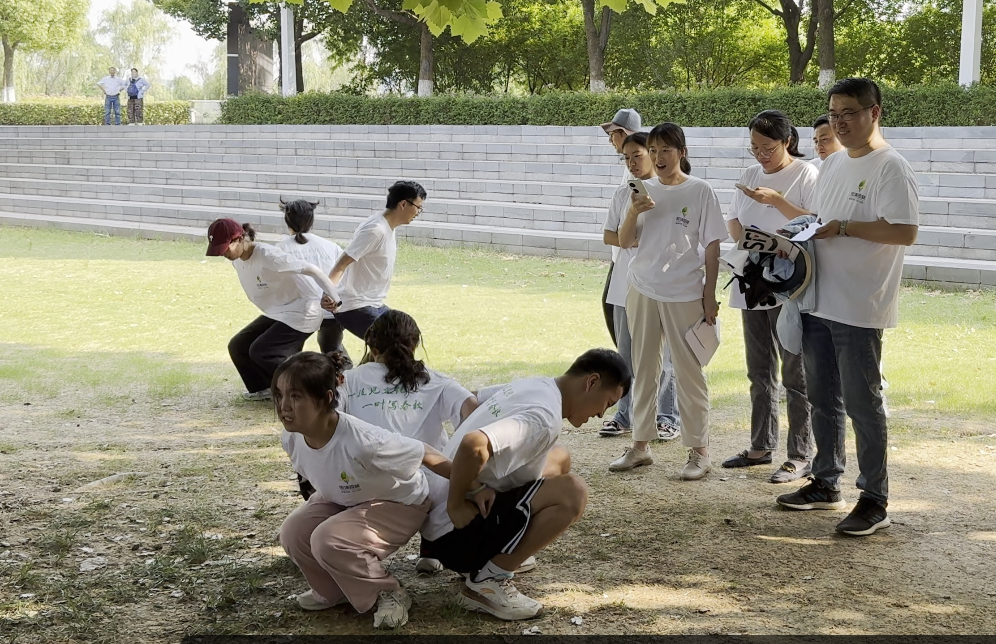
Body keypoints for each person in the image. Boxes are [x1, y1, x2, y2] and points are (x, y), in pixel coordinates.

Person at [776, 78, 919, 537]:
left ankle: (874, 499)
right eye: (833, 113)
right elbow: (819, 221)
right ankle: (825, 482)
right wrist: (794, 238)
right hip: (819, 299)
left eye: (850, 113)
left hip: (860, 306)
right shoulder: (834, 163)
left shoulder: (891, 167)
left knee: (863, 404)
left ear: (874, 112)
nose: (840, 122)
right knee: (822, 400)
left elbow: (903, 231)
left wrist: (841, 229)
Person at [420, 349, 630, 621]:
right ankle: (489, 581)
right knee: (573, 492)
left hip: (435, 525)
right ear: (591, 382)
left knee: (560, 457)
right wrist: (458, 502)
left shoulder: (537, 384)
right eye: (607, 403)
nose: (602, 414)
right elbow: (474, 444)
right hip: (454, 533)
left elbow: (473, 399)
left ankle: (504, 549)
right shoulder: (543, 417)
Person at [273, 351, 453, 629]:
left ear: (326, 399)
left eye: (296, 396)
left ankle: (388, 592)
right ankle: (335, 592)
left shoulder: (364, 441)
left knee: (327, 540)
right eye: (279, 395)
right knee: (293, 532)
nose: (284, 406)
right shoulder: (292, 438)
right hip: (345, 498)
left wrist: (473, 486)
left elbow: (426, 453)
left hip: (398, 502)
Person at [607, 123, 726, 479]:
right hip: (642, 288)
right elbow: (624, 241)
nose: (659, 158)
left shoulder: (700, 191)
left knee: (690, 373)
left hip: (686, 293)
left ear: (682, 153)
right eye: (654, 151)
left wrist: (709, 297)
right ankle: (640, 446)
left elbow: (714, 247)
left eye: (666, 151)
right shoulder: (639, 190)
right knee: (643, 367)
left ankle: (699, 451)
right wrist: (634, 210)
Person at [336, 309, 479, 573]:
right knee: (444, 469)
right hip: (432, 483)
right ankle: (432, 547)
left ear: (371, 345)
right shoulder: (437, 381)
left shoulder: (351, 380)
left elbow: (328, 419)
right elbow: (472, 411)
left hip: (370, 484)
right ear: (415, 344)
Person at [722, 110, 817, 484]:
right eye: (754, 147)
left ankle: (799, 454)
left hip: (790, 284)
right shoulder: (749, 175)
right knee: (758, 368)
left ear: (787, 141)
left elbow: (816, 221)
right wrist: (745, 239)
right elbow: (733, 219)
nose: (760, 155)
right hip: (751, 277)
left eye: (767, 147)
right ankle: (760, 445)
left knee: (795, 371)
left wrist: (778, 201)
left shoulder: (806, 174)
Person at [600, 131, 681, 440]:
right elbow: (609, 235)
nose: (632, 163)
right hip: (624, 284)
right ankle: (625, 413)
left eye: (638, 155)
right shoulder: (623, 194)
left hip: (660, 285)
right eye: (627, 158)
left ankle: (666, 416)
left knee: (663, 356)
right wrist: (628, 236)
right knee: (626, 355)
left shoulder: (671, 191)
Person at [205, 217, 341, 401]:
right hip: (279, 312)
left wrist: (334, 298)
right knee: (238, 346)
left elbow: (313, 270)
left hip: (303, 311)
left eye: (225, 248)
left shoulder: (269, 256)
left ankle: (306, 391)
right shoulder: (237, 259)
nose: (224, 254)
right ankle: (264, 388)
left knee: (263, 351)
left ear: (239, 239)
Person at [325, 181, 426, 340]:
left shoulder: (388, 227)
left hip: (374, 303)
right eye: (418, 207)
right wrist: (328, 293)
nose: (419, 212)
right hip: (354, 305)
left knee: (407, 333)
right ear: (403, 204)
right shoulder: (375, 230)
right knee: (393, 343)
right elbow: (341, 264)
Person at [276, 199, 349, 362]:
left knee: (291, 355)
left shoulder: (281, 249)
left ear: (287, 220)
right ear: (311, 220)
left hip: (299, 314)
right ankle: (342, 377)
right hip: (332, 312)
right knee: (333, 352)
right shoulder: (331, 246)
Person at [598, 108, 643, 347]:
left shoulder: (641, 176)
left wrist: (631, 240)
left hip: (635, 263)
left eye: (613, 133)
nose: (610, 139)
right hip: (620, 256)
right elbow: (608, 233)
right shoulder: (626, 180)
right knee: (614, 311)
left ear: (624, 132)